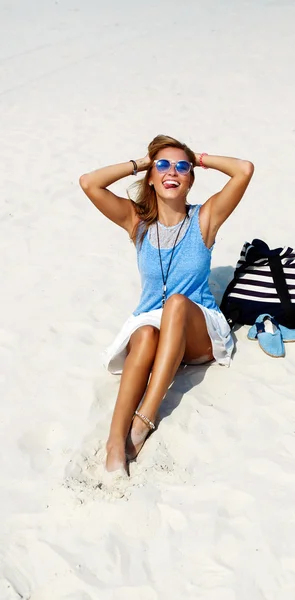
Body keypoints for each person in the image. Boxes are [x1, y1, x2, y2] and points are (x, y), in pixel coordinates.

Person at [79, 135, 254, 473]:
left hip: (196, 329)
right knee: (144, 334)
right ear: (151, 177)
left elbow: (244, 170)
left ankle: (145, 417)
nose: (171, 171)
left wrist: (198, 157)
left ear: (190, 178)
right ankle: (116, 441)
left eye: (181, 167)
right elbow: (89, 183)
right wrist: (141, 163)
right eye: (163, 165)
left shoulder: (204, 219)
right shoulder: (138, 223)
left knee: (175, 302)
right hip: (153, 328)